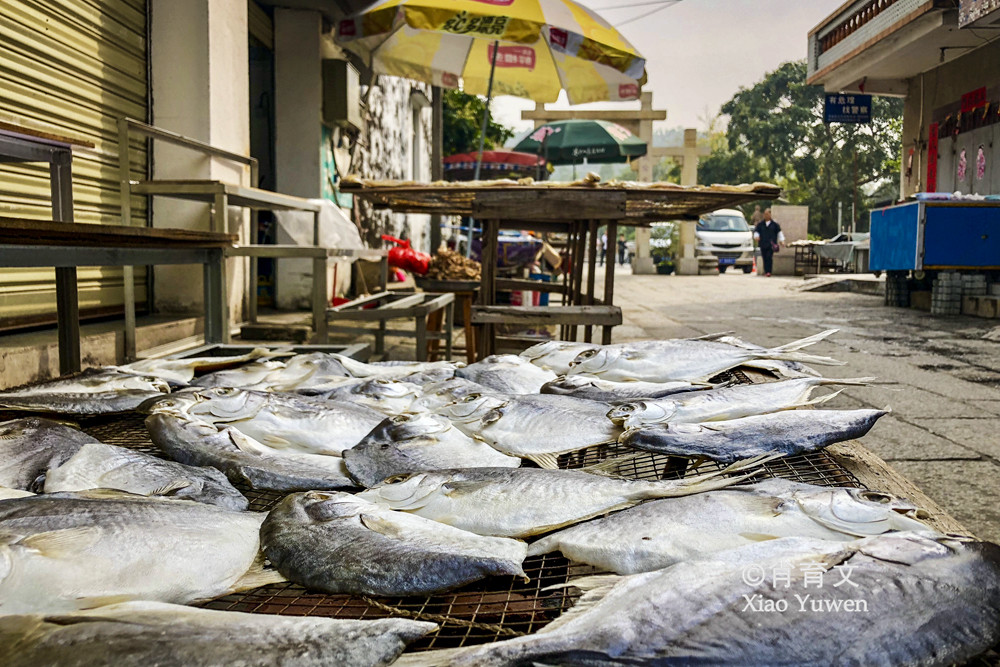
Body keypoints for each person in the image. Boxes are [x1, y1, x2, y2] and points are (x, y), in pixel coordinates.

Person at [753, 208, 784, 277]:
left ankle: (769, 271)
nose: (766, 215)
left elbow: (779, 233)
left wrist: (782, 241)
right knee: (764, 257)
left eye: (767, 214)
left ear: (770, 214)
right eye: (765, 214)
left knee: (769, 257)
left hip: (771, 244)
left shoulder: (775, 225)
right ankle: (766, 270)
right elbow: (756, 231)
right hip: (763, 243)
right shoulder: (761, 224)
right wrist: (756, 237)